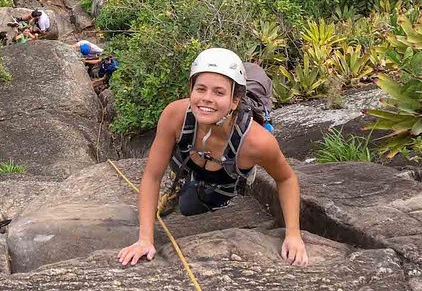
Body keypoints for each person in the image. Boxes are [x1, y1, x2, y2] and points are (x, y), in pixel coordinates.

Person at [117, 48, 308, 267]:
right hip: (192, 161)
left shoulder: (257, 142)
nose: (206, 99)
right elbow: (152, 175)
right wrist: (144, 240)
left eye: (219, 92)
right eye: (200, 89)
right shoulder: (175, 116)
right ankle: (190, 179)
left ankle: (244, 168)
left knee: (192, 205)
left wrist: (293, 235)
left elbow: (286, 179)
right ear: (191, 90)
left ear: (235, 101)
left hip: (226, 175)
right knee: (186, 206)